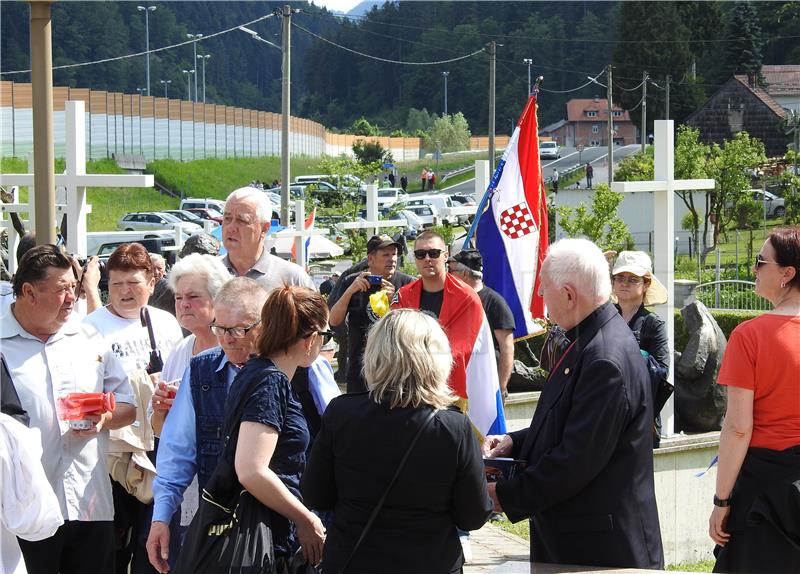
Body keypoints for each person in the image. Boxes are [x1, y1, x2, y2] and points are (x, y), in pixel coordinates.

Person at [484, 238, 663, 569]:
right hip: (581, 539)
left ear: (568, 294)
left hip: (600, 549)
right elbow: (567, 421)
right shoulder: (590, 338)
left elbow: (575, 460)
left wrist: (503, 496)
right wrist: (516, 441)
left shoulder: (604, 357)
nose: (540, 298)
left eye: (544, 288)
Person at [302, 309, 493, 573]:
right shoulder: (453, 427)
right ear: (436, 359)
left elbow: (315, 494)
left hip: (354, 561)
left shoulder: (342, 413)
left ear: (374, 355)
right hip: (430, 562)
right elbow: (473, 515)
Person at [1, 245, 136, 573]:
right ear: (29, 292)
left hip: (89, 502)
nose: (72, 298)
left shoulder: (88, 336)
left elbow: (129, 407)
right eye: (62, 289)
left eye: (74, 288)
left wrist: (103, 418)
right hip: (24, 509)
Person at [83, 243, 184, 574]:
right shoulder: (90, 327)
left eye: (133, 283)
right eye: (115, 284)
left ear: (151, 283)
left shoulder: (166, 322)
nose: (124, 292)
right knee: (114, 541)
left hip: (162, 445)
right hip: (112, 454)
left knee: (153, 537)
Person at [708, 227, 800, 573]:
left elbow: (737, 428)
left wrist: (721, 501)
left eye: (760, 262)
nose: (754, 269)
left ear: (786, 274)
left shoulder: (749, 336)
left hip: (765, 494)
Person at [225, 285, 329, 567]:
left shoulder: (257, 373)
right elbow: (251, 469)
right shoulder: (271, 382)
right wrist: (305, 518)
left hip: (267, 530)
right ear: (309, 339)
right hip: (264, 536)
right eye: (325, 336)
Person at [149, 253, 231, 437]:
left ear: (218, 298)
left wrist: (189, 402)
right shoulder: (180, 350)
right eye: (178, 297)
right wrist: (160, 409)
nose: (184, 304)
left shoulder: (234, 349)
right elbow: (158, 431)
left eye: (193, 296)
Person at [329, 235, 414, 393]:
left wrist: (394, 300)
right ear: (370, 259)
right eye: (386, 255)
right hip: (360, 370)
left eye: (394, 254)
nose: (392, 259)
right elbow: (334, 320)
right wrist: (350, 291)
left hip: (395, 370)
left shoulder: (407, 283)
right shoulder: (352, 282)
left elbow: (412, 327)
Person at [611, 251, 669, 448]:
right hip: (606, 414)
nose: (624, 283)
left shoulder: (653, 324)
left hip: (640, 420)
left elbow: (661, 371)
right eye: (620, 278)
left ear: (645, 284)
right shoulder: (604, 319)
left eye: (632, 279)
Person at [448, 249, 515, 401]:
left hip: (486, 388)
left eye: (451, 270)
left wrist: (501, 387)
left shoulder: (494, 302)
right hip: (458, 387)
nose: (448, 275)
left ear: (464, 274)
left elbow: (507, 348)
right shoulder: (454, 300)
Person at [220, 187, 314, 290]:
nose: (231, 228)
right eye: (227, 219)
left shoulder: (292, 279)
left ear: (264, 229)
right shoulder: (206, 273)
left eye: (241, 221)